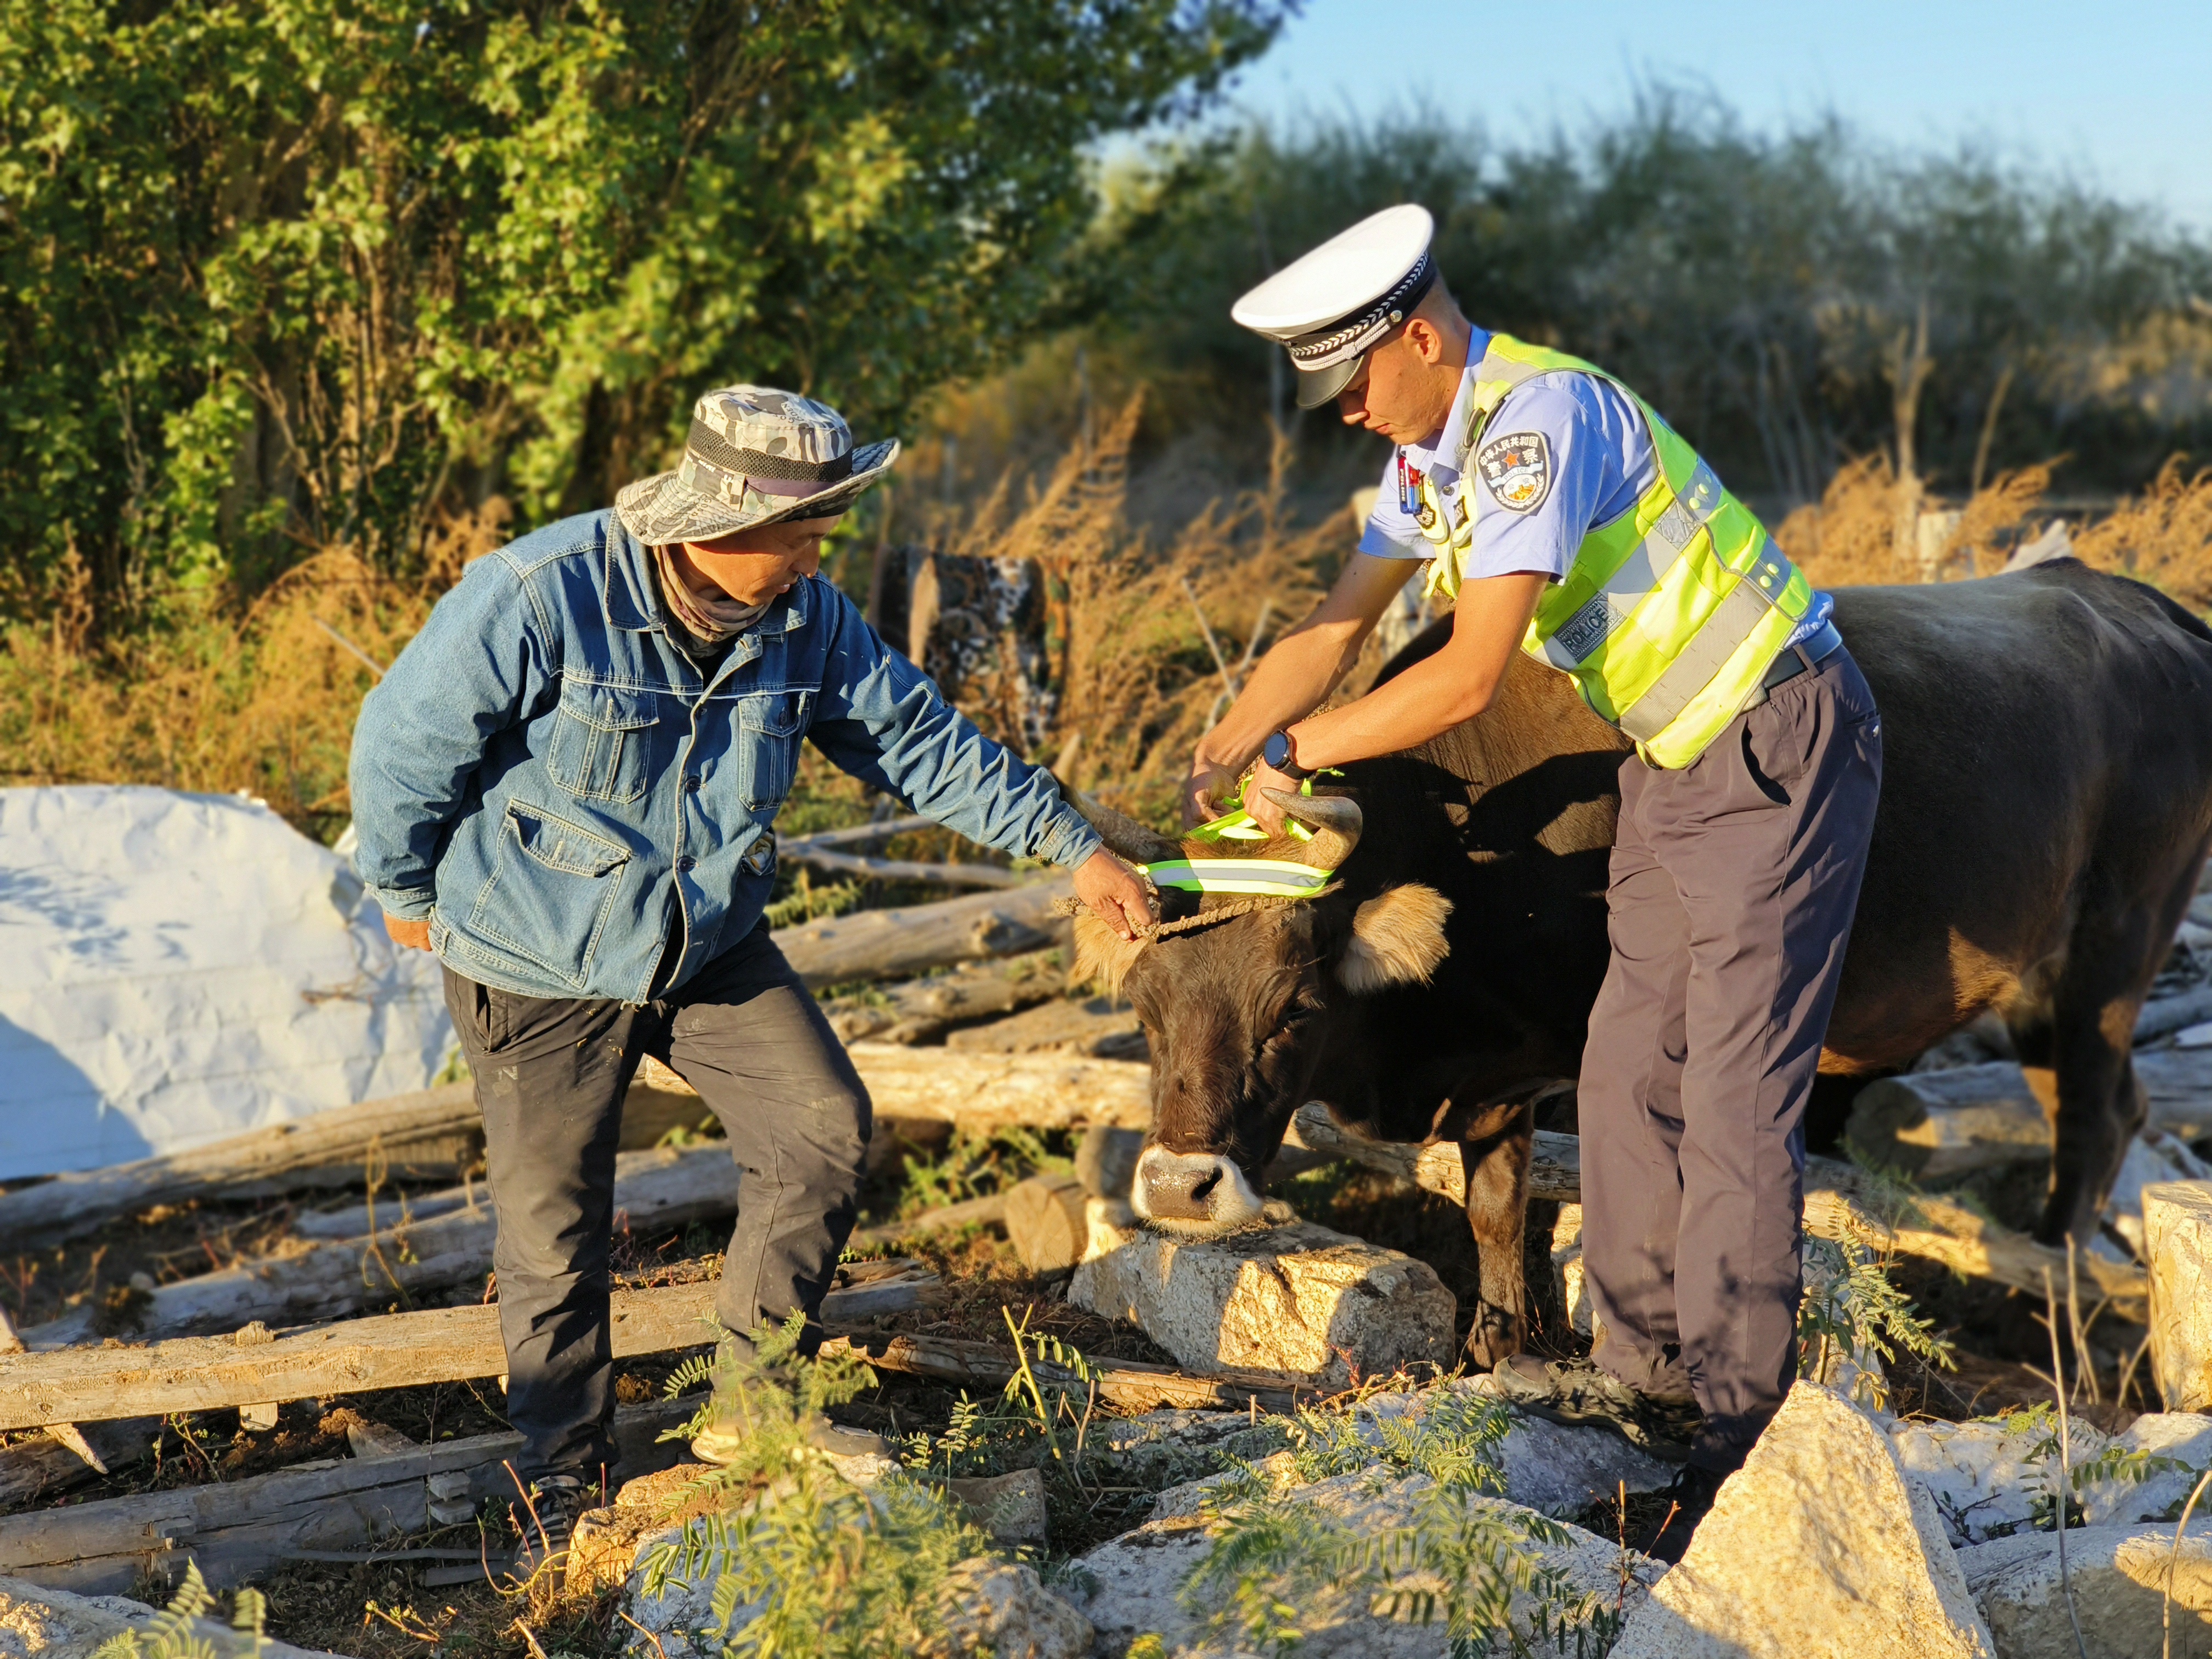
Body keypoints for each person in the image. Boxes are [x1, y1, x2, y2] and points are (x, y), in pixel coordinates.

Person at [348, 385, 1153, 1578]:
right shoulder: (544, 593)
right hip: (537, 952)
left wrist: (1075, 846)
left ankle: (753, 1404)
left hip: (707, 943)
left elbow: (922, 744)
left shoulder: (809, 621)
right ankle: (562, 1476)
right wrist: (406, 896)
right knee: (554, 1222)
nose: (819, 555)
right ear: (714, 521)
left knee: (821, 1127)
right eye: (806, 531)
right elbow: (401, 745)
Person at [1195, 206, 1882, 1558]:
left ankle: (1741, 1446)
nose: (1344, 417)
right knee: (1626, 1071)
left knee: (1737, 1102)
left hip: (1782, 728)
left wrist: (1300, 748)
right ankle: (1644, 1388)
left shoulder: (1534, 423)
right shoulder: (1430, 448)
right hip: (1676, 758)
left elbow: (1461, 672)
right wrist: (1227, 742)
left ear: (1421, 337)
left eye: (1353, 387)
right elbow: (1336, 622)